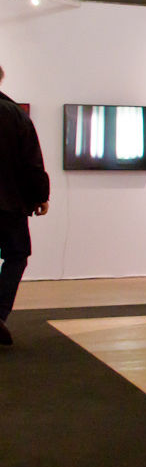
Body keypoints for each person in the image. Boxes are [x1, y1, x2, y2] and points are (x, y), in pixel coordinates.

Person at [0, 64, 50, 347]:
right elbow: (31, 162)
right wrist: (39, 196)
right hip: (9, 204)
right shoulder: (15, 115)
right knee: (16, 256)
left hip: (9, 202)